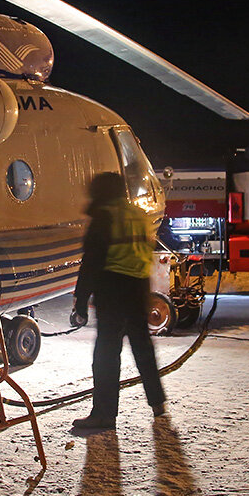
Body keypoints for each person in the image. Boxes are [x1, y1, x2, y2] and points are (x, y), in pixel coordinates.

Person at [71, 172, 167, 430]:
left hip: (112, 288)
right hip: (136, 287)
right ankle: (158, 404)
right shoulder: (138, 215)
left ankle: (104, 414)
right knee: (143, 349)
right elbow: (145, 255)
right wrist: (145, 294)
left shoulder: (104, 216)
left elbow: (91, 262)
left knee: (106, 354)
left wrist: (80, 300)